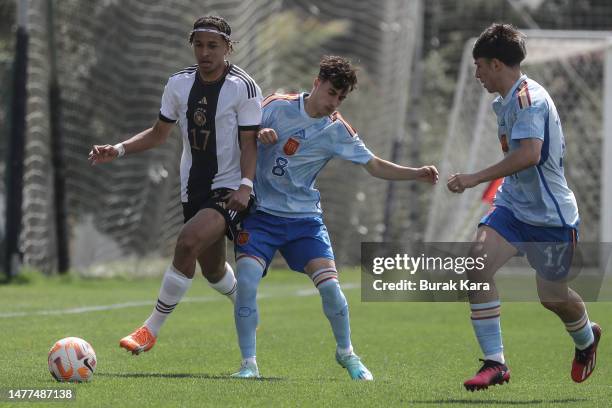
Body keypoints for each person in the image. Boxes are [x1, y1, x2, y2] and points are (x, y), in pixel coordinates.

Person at [230, 55, 439, 379]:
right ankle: (248, 365)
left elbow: (374, 164)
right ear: (316, 83)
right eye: (331, 93)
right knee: (245, 282)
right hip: (261, 216)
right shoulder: (276, 105)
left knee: (331, 290)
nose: (334, 102)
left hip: (304, 222)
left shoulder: (336, 130)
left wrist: (416, 173)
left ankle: (347, 354)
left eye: (341, 97)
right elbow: (243, 133)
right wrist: (261, 132)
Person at [88, 16, 263, 355]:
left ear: (228, 47)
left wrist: (245, 186)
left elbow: (250, 143)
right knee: (211, 270)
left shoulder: (243, 86)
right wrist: (119, 148)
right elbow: (158, 134)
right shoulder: (179, 84)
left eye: (213, 45)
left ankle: (149, 330)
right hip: (192, 188)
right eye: (199, 44)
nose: (204, 52)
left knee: (186, 243)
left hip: (228, 188)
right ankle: (245, 302)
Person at [447, 23, 601, 391]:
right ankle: (495, 363)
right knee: (476, 266)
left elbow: (530, 155)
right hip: (513, 208)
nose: (477, 73)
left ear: (497, 64)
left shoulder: (529, 100)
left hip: (551, 217)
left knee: (553, 297)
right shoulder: (505, 100)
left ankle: (586, 339)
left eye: (480, 65)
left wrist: (474, 178)